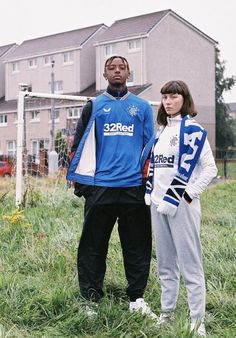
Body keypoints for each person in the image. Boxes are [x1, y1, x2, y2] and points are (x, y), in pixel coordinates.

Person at [67, 55, 156, 318]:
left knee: (137, 245)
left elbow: (150, 149)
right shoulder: (93, 105)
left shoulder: (142, 107)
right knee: (93, 245)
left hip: (133, 188)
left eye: (122, 67)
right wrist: (84, 186)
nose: (117, 71)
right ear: (104, 75)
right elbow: (77, 147)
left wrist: (147, 185)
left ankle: (136, 299)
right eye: (111, 68)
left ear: (130, 73)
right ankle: (91, 300)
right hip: (100, 187)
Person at [145, 80, 217, 336]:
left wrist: (189, 194)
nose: (167, 101)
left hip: (181, 206)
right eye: (164, 97)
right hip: (157, 204)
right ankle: (167, 314)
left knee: (190, 265)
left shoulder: (194, 130)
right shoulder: (161, 131)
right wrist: (150, 192)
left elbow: (210, 169)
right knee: (165, 264)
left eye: (173, 96)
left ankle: (197, 322)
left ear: (184, 99)